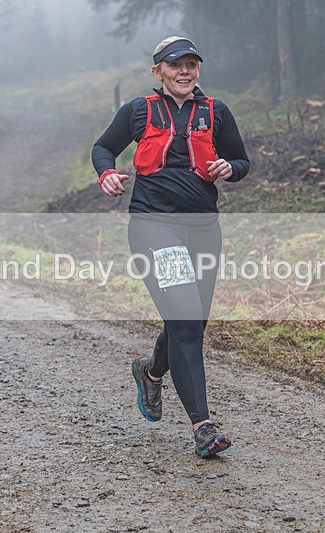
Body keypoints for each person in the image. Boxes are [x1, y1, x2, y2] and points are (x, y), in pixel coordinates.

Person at [92, 36, 250, 457]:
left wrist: (228, 168)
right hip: (154, 228)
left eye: (191, 64)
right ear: (157, 71)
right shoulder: (138, 110)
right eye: (175, 64)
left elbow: (242, 161)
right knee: (184, 321)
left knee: (192, 323)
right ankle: (203, 426)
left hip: (203, 230)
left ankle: (151, 371)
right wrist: (107, 173)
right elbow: (103, 147)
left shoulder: (215, 112)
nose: (184, 71)